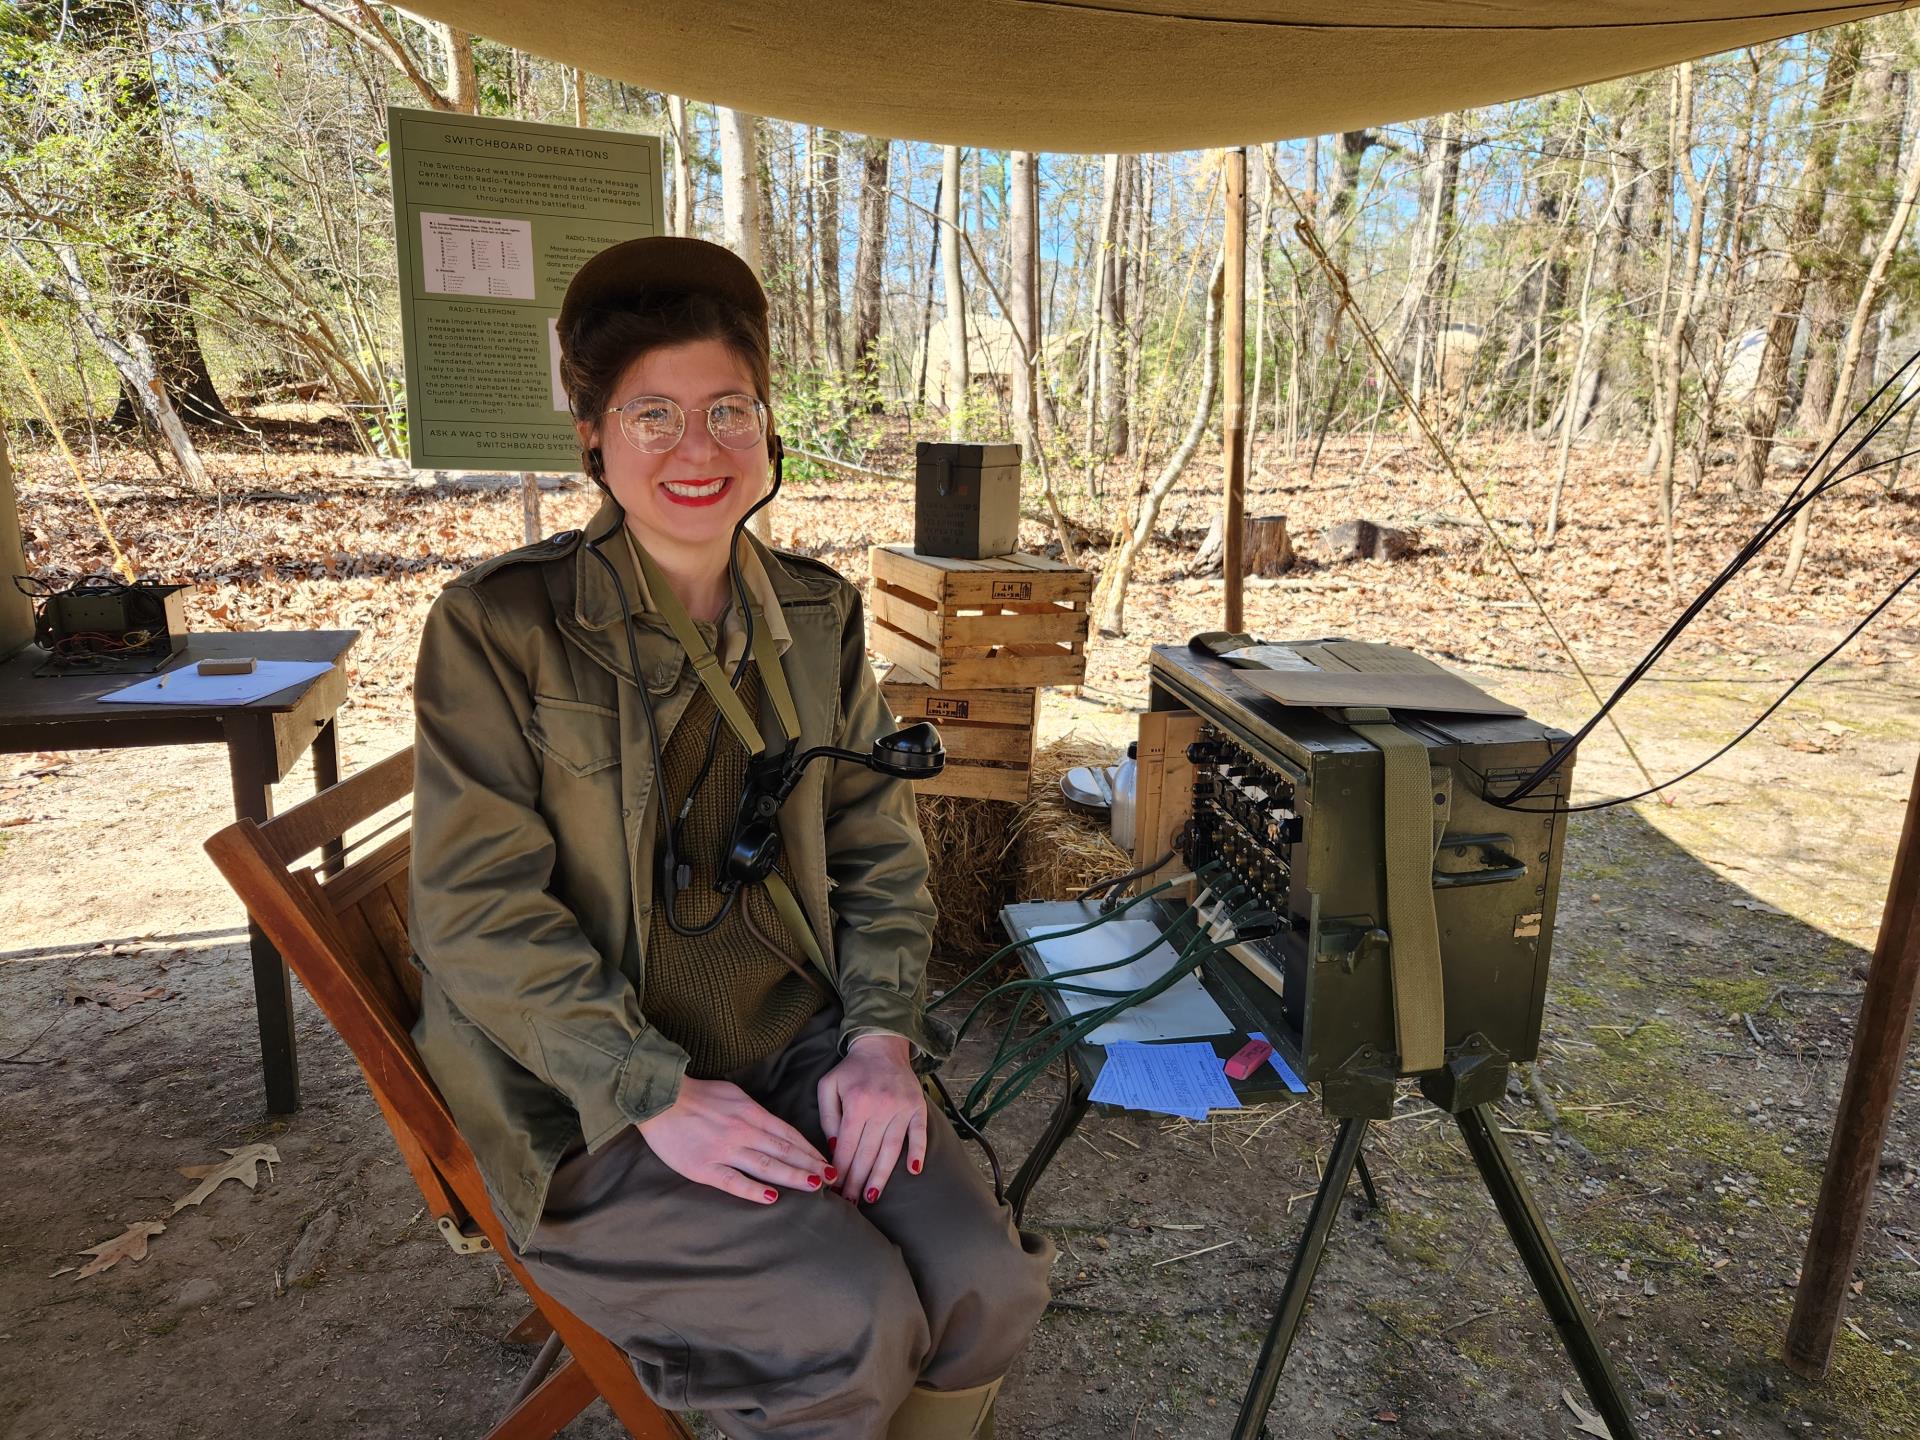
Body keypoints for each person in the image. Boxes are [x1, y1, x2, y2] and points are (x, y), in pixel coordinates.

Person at [407, 236, 1054, 1440]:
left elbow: (875, 849)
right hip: (587, 1091)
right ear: (592, 435)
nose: (695, 448)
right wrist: (652, 1090)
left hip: (792, 1036)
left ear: (767, 426)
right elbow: (472, 911)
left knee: (988, 1284)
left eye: (726, 409)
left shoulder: (816, 613)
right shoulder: (502, 626)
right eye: (651, 413)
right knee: (842, 1319)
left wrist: (878, 1041)